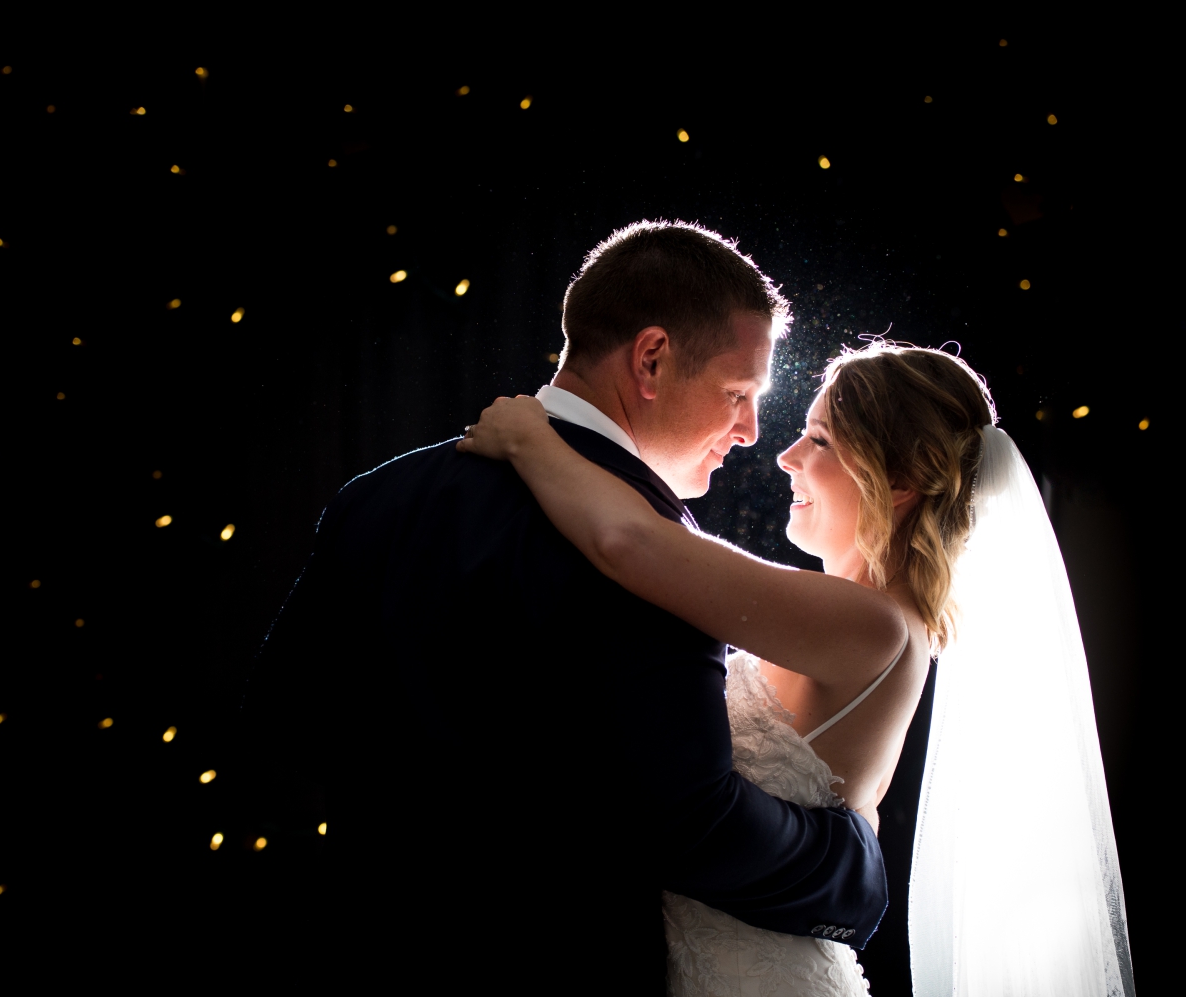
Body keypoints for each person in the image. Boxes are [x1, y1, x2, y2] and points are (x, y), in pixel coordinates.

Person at [242, 221, 889, 993]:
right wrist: (852, 870)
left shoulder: (377, 495)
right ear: (650, 359)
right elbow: (691, 826)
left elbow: (282, 719)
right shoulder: (663, 556)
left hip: (365, 954)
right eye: (738, 393)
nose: (749, 430)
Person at [459, 341, 1135, 995]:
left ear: (898, 480)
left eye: (819, 441)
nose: (785, 456)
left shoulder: (873, 623)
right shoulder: (859, 620)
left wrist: (531, 440)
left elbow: (632, 542)